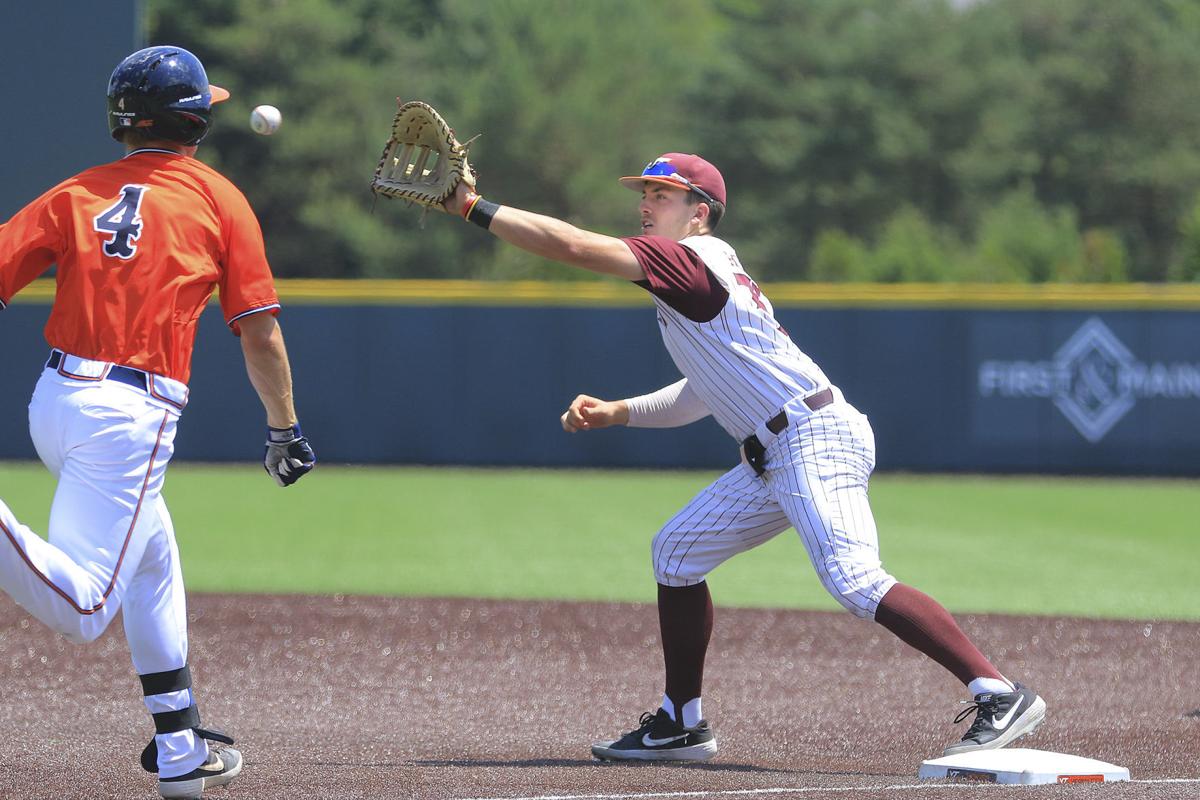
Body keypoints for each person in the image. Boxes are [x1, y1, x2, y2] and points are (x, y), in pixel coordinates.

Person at [443, 154, 1046, 762]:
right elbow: (703, 392)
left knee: (855, 578)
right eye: (645, 193)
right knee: (676, 553)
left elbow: (573, 246)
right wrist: (619, 411)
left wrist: (473, 207)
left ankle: (997, 691)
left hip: (813, 437)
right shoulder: (694, 277)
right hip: (778, 449)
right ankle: (682, 721)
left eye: (662, 194)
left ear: (698, 213)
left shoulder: (691, 259)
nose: (645, 204)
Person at [0, 46, 315, 798]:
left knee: (154, 558)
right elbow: (260, 332)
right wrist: (284, 428)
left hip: (58, 402)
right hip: (127, 414)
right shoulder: (218, 198)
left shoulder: (75, 192)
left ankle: (179, 747)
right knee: (84, 608)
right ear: (196, 118)